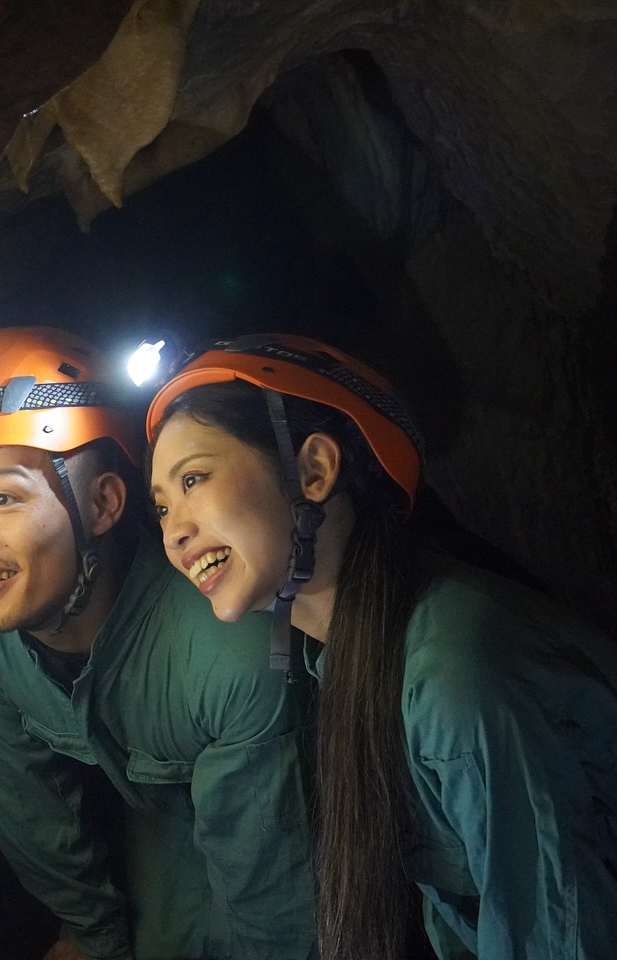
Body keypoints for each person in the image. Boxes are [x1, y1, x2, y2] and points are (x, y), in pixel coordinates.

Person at [145, 334, 617, 960]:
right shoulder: (349, 658)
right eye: (160, 507)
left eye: (194, 479)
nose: (175, 530)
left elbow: (560, 931)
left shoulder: (456, 672)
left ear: (313, 470)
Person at [0, 326, 318, 960]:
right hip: (150, 806)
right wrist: (92, 936)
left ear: (102, 504)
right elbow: (15, 799)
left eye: (2, 497)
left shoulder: (227, 652)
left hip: (279, 811)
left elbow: (276, 896)